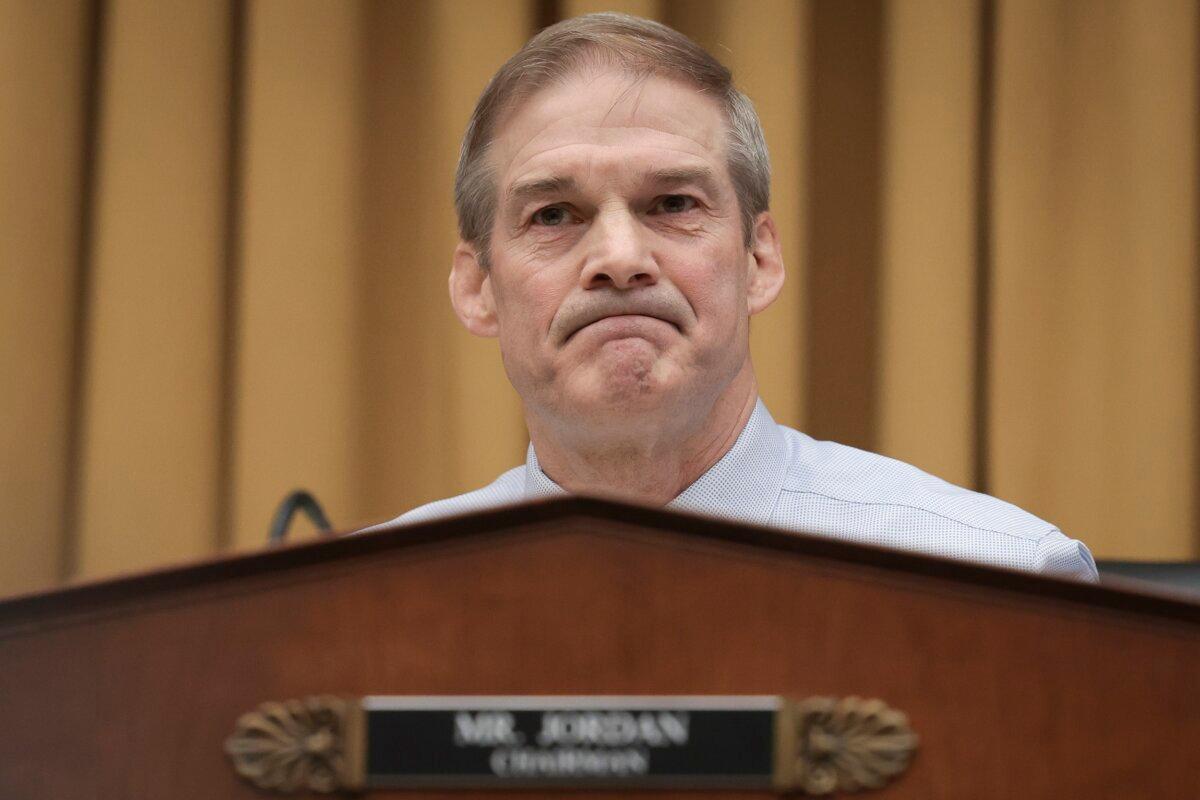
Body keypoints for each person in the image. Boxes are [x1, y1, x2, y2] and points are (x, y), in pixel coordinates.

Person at [380, 13, 1097, 581]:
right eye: (555, 215)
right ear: (477, 289)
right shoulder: (367, 606)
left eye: (672, 203)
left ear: (759, 258)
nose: (621, 260)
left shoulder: (996, 578)